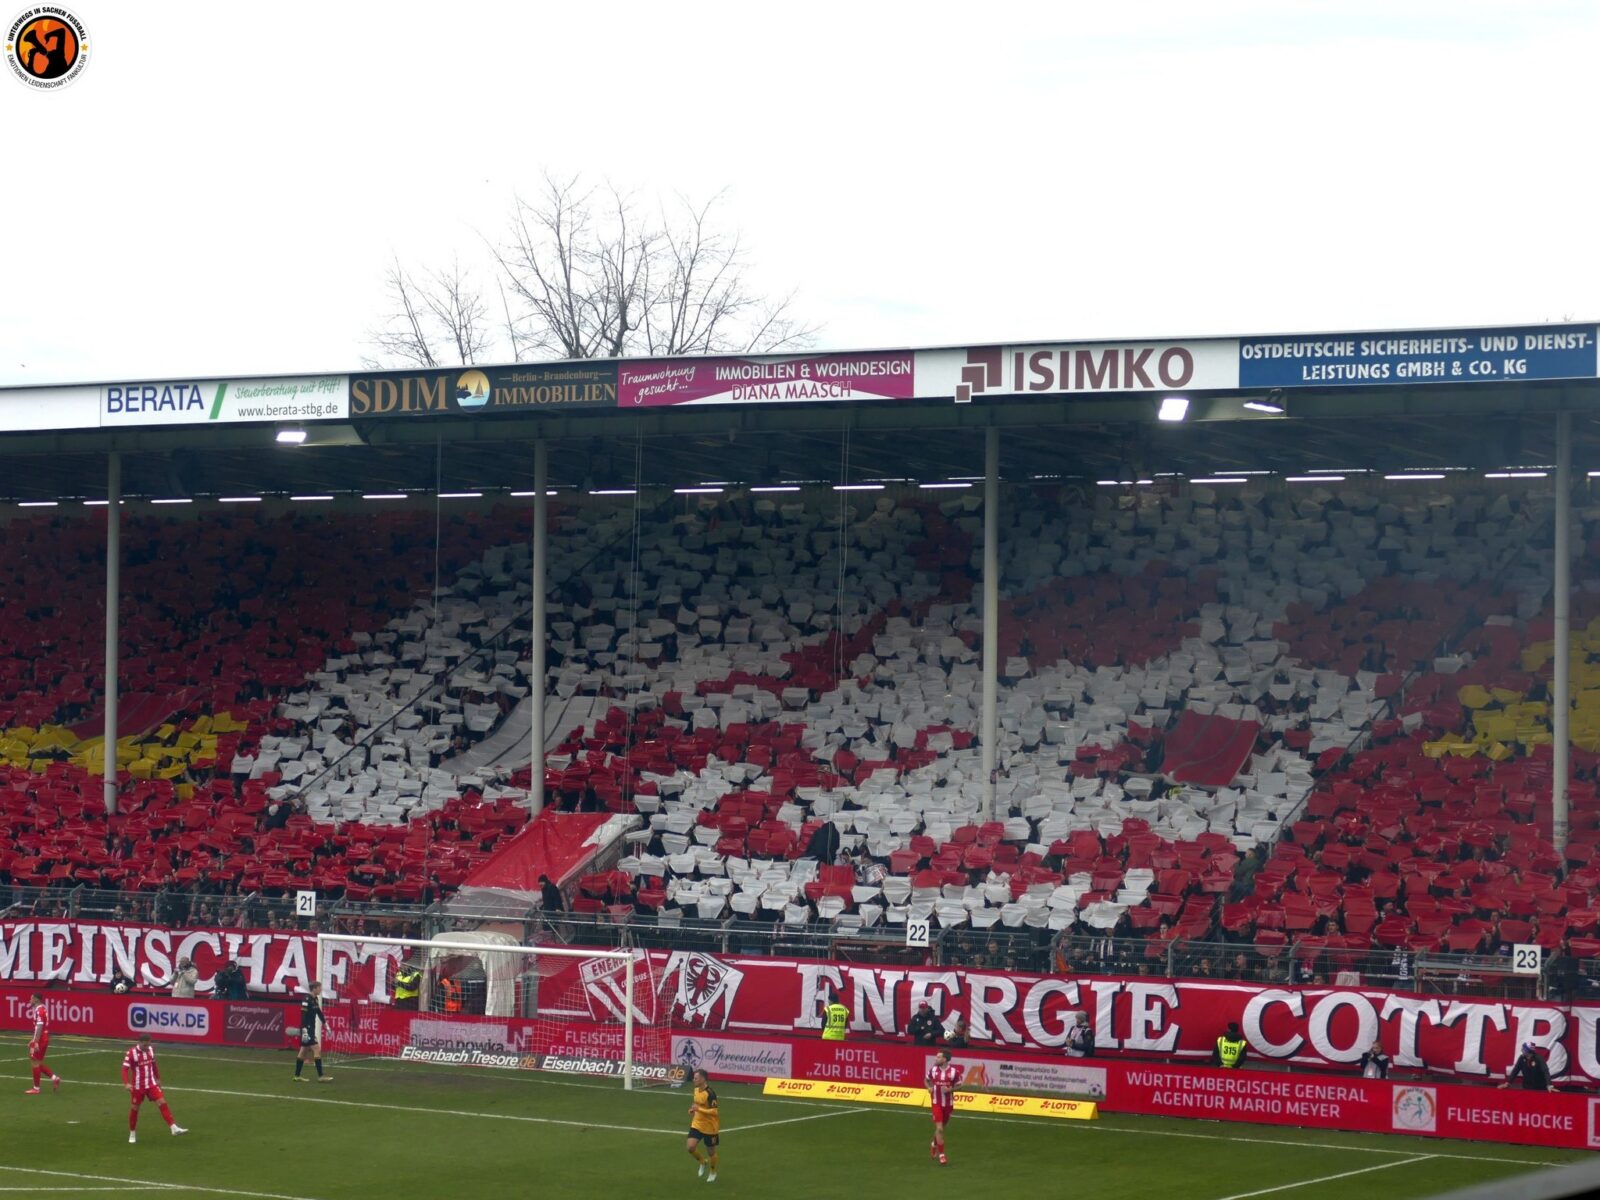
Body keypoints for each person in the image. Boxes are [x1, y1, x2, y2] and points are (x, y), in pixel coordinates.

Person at [123, 1032, 187, 1143]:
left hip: (151, 1083)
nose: (147, 1047)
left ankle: (173, 1128)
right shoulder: (131, 1053)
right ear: (140, 1042)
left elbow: (153, 1064)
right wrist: (126, 1083)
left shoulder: (150, 1050)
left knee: (162, 1102)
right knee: (135, 1108)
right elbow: (124, 1069)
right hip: (138, 1087)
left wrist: (158, 1078)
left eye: (148, 1045)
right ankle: (132, 1133)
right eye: (145, 1045)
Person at [926, 1049, 961, 1165]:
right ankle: (942, 1155)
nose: (936, 1059)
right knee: (940, 1129)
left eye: (938, 1057)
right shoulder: (933, 1070)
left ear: (944, 1059)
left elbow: (959, 1086)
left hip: (948, 1104)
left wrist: (950, 1089)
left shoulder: (954, 1072)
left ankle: (934, 1144)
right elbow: (926, 1080)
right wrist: (929, 1087)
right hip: (936, 1102)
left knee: (941, 1129)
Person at [685, 1068, 721, 1183]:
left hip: (710, 1127)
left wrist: (699, 1109)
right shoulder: (696, 1090)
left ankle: (712, 1172)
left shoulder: (710, 1093)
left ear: (703, 1079)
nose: (693, 1079)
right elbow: (697, 1104)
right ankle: (702, 1161)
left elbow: (714, 1111)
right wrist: (693, 1110)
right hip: (697, 1124)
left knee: (711, 1152)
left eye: (696, 1078)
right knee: (690, 1147)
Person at [24, 993, 61, 1094]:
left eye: (31, 999)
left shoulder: (39, 1011)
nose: (29, 1000)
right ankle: (55, 1078)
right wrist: (33, 1039)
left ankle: (36, 1088)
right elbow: (39, 1027)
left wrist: (35, 1041)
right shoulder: (42, 1009)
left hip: (41, 1039)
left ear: (36, 1000)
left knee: (34, 1062)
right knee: (37, 1062)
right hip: (43, 1038)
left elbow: (40, 1026)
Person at [293, 982, 330, 1082]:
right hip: (307, 1029)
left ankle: (297, 1076)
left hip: (310, 1029)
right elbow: (303, 1016)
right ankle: (321, 1076)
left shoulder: (315, 999)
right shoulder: (306, 999)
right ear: (314, 988)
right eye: (319, 988)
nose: (320, 990)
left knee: (303, 1051)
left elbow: (319, 1012)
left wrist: (325, 1023)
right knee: (317, 1049)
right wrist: (305, 1031)